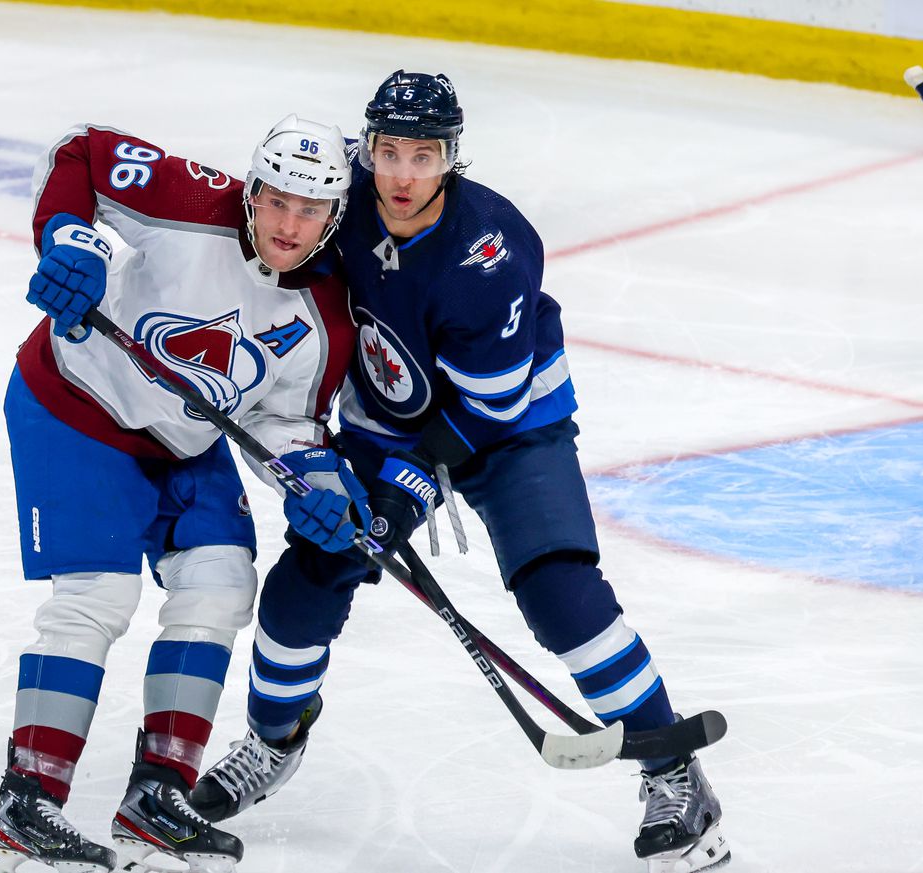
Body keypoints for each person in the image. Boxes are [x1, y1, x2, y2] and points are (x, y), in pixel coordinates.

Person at [191, 72, 731, 873]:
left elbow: (486, 409)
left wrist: (412, 486)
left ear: (453, 156)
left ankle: (673, 770)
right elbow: (262, 213)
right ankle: (274, 742)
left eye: (425, 154)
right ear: (365, 145)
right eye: (388, 151)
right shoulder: (338, 189)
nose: (402, 174)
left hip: (511, 428)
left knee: (562, 594)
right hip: (385, 421)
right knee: (309, 573)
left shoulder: (490, 252)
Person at [0, 114, 369, 873]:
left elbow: (285, 418)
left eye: (312, 209)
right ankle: (26, 802)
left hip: (182, 440)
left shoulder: (326, 315)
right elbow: (82, 152)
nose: (290, 224)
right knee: (97, 594)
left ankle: (158, 794)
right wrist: (72, 241)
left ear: (334, 216)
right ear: (252, 190)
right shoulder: (193, 205)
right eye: (278, 200)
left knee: (222, 582)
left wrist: (315, 483)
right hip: (75, 405)